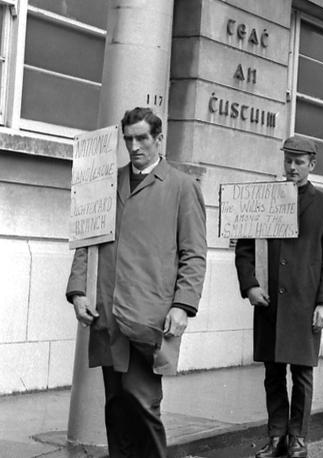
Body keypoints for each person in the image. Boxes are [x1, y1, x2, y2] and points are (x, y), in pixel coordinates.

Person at [66, 107, 207, 457]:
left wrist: (182, 305)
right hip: (107, 313)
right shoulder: (106, 184)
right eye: (128, 139)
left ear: (159, 139)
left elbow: (194, 254)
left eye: (142, 138)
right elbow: (87, 239)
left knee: (143, 404)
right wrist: (79, 291)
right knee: (115, 404)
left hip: (148, 314)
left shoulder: (182, 187)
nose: (135, 146)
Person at [235, 135, 323, 458]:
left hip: (305, 305)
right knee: (272, 374)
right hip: (270, 304)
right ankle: (276, 435)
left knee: (302, 374)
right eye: (288, 161)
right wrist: (251, 285)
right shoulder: (263, 199)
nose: (292, 167)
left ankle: (298, 437)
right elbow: (244, 250)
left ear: (312, 165)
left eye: (299, 162)